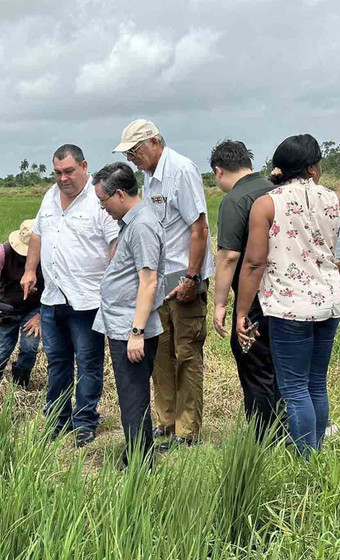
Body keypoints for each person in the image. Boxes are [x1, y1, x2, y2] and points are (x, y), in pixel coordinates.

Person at [236, 133, 340, 458]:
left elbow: (253, 263)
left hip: (288, 305)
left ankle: (307, 458)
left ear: (280, 169)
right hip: (328, 301)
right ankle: (315, 451)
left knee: (293, 388)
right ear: (312, 168)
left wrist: (241, 312)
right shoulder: (336, 200)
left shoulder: (267, 204)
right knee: (316, 383)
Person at [114, 119, 215, 449]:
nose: (132, 158)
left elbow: (199, 228)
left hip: (184, 279)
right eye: (128, 153)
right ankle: (165, 423)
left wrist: (191, 277)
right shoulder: (148, 176)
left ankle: (188, 431)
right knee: (160, 358)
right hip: (159, 281)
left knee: (186, 355)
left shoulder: (181, 171)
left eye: (135, 151)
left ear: (154, 142)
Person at [21, 144, 119, 447]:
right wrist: (29, 271)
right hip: (52, 299)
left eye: (69, 171)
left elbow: (114, 244)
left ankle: (85, 422)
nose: (63, 178)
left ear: (84, 167)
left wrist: (113, 287)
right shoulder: (49, 196)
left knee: (88, 364)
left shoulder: (98, 199)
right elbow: (37, 234)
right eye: (58, 172)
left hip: (88, 300)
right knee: (57, 363)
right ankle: (57, 419)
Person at [91, 162, 166, 467]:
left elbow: (149, 281)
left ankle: (139, 464)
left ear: (119, 194)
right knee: (131, 396)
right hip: (123, 323)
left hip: (131, 327)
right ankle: (137, 453)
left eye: (103, 201)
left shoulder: (142, 225)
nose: (103, 208)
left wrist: (136, 333)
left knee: (133, 397)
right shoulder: (133, 223)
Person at [210, 139, 282, 441]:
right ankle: (291, 427)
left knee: (254, 365)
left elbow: (229, 256)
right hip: (288, 297)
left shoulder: (235, 200)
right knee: (281, 366)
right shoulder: (277, 190)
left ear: (218, 171)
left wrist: (220, 304)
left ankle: (266, 437)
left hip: (253, 300)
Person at [0, 219, 44, 394]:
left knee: (29, 348)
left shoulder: (49, 255)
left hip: (34, 309)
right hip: (7, 308)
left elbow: (57, 288)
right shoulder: (5, 251)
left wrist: (40, 317)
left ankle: (20, 388)